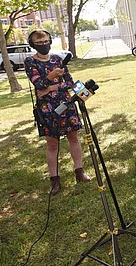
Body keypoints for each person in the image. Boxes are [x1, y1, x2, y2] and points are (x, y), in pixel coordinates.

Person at [24, 30, 90, 196]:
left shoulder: (58, 59)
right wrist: (51, 77)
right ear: (33, 45)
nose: (43, 45)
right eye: (39, 43)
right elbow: (38, 84)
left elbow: (68, 81)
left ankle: (79, 172)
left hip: (66, 103)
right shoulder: (30, 62)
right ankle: (54, 180)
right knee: (52, 144)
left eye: (46, 41)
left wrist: (52, 87)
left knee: (73, 138)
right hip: (48, 109)